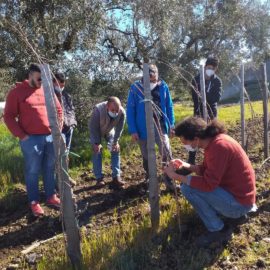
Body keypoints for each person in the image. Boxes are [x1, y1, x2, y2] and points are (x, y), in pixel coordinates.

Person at [164, 117, 256, 247]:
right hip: (240, 197)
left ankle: (217, 229)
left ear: (196, 139)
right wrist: (186, 165)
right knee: (190, 184)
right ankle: (232, 215)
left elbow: (208, 184)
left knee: (187, 187)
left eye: (185, 142)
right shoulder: (216, 142)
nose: (185, 145)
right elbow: (207, 170)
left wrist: (175, 176)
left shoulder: (219, 147)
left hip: (240, 204)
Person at [4, 64, 63, 217]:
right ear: (30, 74)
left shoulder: (47, 90)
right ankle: (34, 202)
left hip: (50, 137)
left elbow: (58, 110)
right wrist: (23, 136)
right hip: (31, 139)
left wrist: (58, 129)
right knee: (33, 170)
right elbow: (9, 116)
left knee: (50, 168)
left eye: (45, 78)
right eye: (40, 77)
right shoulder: (16, 92)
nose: (42, 81)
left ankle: (51, 196)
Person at [126, 64, 175, 191]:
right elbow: (130, 109)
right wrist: (133, 130)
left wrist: (171, 124)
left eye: (154, 76)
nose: (152, 79)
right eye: (149, 76)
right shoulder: (136, 88)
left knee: (166, 152)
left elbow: (169, 106)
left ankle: (169, 180)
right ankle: (150, 179)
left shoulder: (163, 86)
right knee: (147, 156)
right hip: (142, 129)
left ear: (157, 74)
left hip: (161, 126)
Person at [183, 56, 223, 168]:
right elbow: (195, 97)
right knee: (195, 134)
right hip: (198, 111)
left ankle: (212, 159)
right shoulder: (196, 80)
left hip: (212, 112)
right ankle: (191, 159)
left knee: (212, 135)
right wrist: (202, 97)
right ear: (205, 67)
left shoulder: (217, 81)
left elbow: (216, 98)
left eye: (213, 68)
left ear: (215, 69)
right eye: (209, 67)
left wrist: (205, 95)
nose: (210, 70)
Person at [89, 97, 126, 189]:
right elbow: (93, 127)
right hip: (97, 130)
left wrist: (116, 141)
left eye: (116, 110)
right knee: (97, 151)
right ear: (107, 106)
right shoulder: (98, 110)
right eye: (112, 110)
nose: (115, 112)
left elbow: (119, 129)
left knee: (115, 148)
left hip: (109, 130)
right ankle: (99, 178)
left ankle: (116, 177)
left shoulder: (122, 112)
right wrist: (96, 143)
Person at [53, 72, 77, 186]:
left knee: (65, 155)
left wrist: (73, 123)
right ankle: (57, 182)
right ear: (53, 82)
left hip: (69, 129)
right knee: (57, 156)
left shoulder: (67, 96)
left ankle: (65, 178)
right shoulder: (50, 96)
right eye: (59, 84)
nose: (61, 87)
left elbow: (71, 110)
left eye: (63, 85)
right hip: (58, 130)